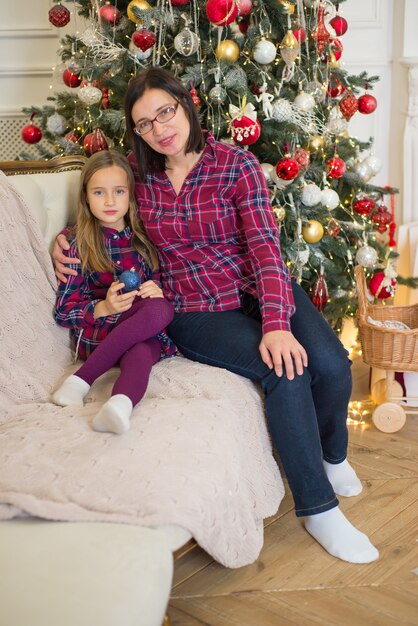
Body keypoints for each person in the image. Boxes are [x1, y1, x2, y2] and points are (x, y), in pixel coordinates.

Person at [53, 67, 379, 563]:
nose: (160, 128)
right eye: (144, 123)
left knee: (333, 366)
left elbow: (267, 249)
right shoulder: (139, 177)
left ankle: (332, 456)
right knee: (286, 372)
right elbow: (102, 201)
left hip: (254, 285)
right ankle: (318, 509)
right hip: (193, 306)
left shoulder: (236, 164)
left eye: (165, 111)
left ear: (186, 104)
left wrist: (275, 322)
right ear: (137, 132)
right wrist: (68, 238)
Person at [52, 150, 176, 434]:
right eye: (99, 192)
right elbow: (63, 311)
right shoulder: (77, 244)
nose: (110, 201)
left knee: (144, 349)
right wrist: (104, 308)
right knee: (160, 310)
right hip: (101, 332)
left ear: (130, 195)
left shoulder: (143, 239)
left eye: (118, 191)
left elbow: (157, 282)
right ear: (85, 197)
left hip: (142, 331)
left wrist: (154, 288)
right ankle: (81, 380)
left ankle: (119, 406)